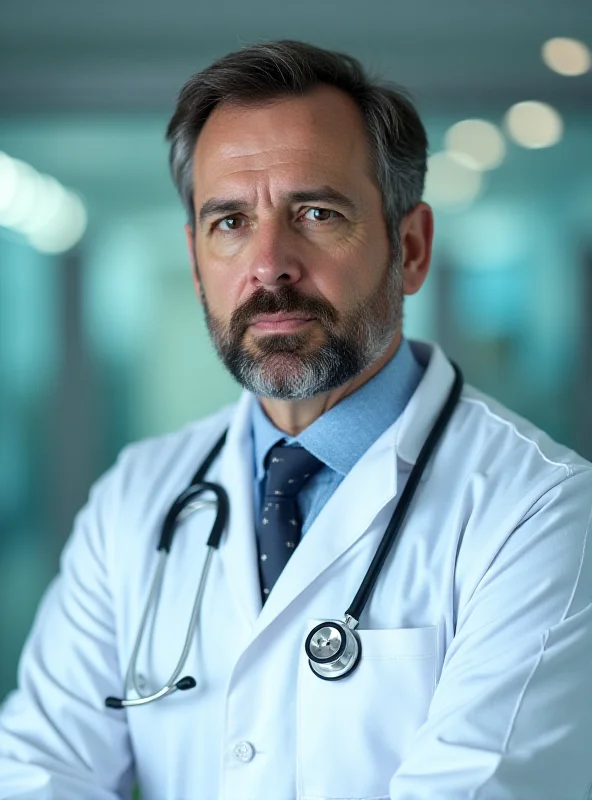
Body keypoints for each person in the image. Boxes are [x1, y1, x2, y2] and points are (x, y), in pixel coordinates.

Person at [1, 39, 591, 800]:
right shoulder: (135, 497)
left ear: (409, 249)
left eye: (317, 212)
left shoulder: (541, 513)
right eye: (230, 222)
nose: (269, 263)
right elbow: (37, 773)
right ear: (195, 262)